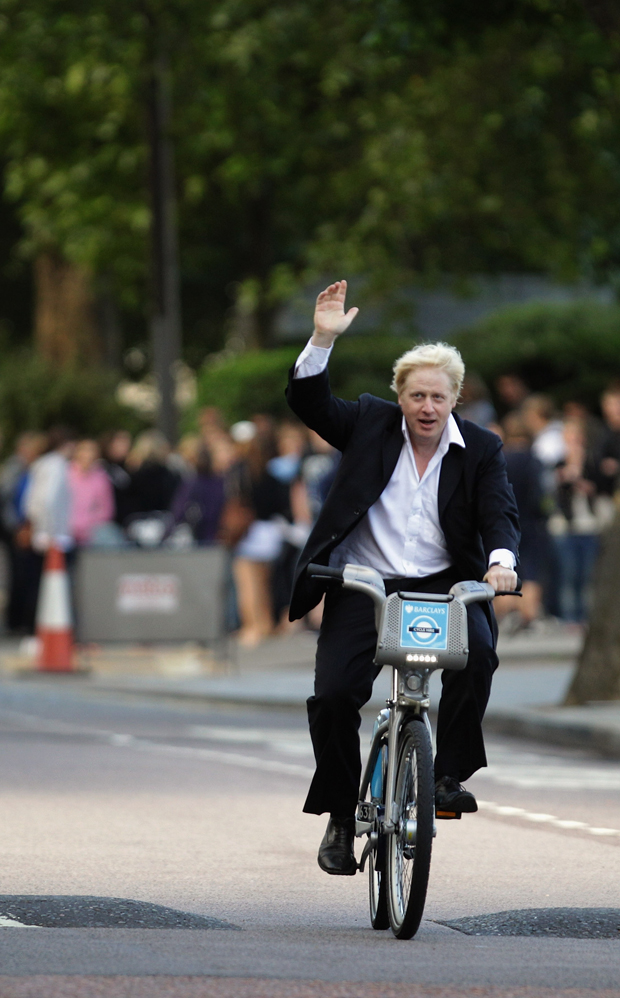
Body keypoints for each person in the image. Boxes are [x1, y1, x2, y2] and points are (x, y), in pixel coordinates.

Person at [286, 280, 519, 876]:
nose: (427, 408)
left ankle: (445, 777)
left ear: (455, 399)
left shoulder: (483, 449)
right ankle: (341, 813)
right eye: (416, 396)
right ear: (400, 396)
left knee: (480, 656)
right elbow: (311, 405)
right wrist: (322, 339)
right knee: (336, 695)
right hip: (364, 583)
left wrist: (501, 563)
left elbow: (499, 512)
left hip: (445, 584)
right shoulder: (368, 423)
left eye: (438, 398)